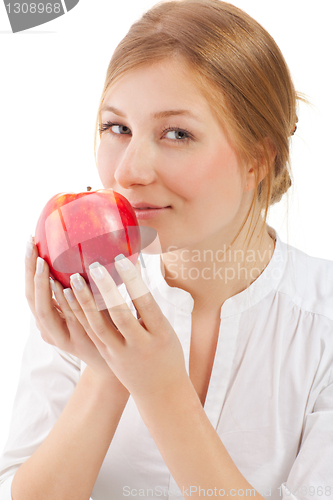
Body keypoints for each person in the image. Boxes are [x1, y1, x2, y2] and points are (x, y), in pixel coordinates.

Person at [0, 0, 332, 499]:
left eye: (177, 133)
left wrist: (161, 390)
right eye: (118, 128)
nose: (128, 171)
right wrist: (107, 372)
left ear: (257, 159)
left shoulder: (321, 322)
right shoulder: (85, 292)